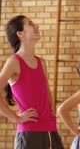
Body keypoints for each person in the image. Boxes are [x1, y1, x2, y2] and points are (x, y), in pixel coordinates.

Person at [0, 15, 64, 148]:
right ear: (20, 34)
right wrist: (16, 118)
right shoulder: (14, 62)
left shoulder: (42, 63)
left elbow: (46, 91)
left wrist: (51, 111)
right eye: (30, 24)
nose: (36, 26)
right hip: (29, 133)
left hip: (51, 130)